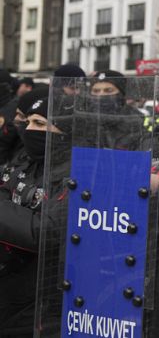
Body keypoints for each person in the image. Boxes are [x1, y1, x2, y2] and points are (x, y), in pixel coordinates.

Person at [0, 87, 72, 336]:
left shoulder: (78, 171)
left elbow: (48, 230)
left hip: (46, 295)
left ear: (62, 128)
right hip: (11, 284)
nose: (29, 129)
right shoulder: (27, 158)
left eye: (40, 123)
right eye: (28, 121)